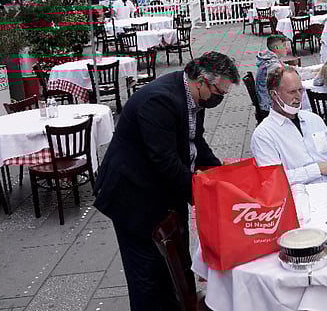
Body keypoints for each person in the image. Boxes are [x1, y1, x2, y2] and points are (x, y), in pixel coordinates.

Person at [94, 51, 240, 311]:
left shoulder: (194, 98)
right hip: (132, 196)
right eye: (219, 92)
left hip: (160, 191)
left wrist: (223, 178)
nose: (220, 98)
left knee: (173, 270)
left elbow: (195, 142)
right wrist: (204, 196)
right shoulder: (159, 101)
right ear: (202, 81)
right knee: (147, 276)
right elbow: (166, 163)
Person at [251, 65, 327, 184]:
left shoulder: (313, 119)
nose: (298, 96)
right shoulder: (264, 134)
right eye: (292, 92)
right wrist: (318, 169)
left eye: (300, 90)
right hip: (302, 197)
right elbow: (273, 179)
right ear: (274, 94)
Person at [255, 34, 315, 112]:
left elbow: (291, 70)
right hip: (269, 104)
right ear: (276, 48)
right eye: (284, 45)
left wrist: (312, 71)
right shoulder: (272, 65)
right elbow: (292, 78)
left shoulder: (271, 59)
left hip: (271, 98)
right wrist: (314, 74)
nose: (287, 48)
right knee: (300, 96)